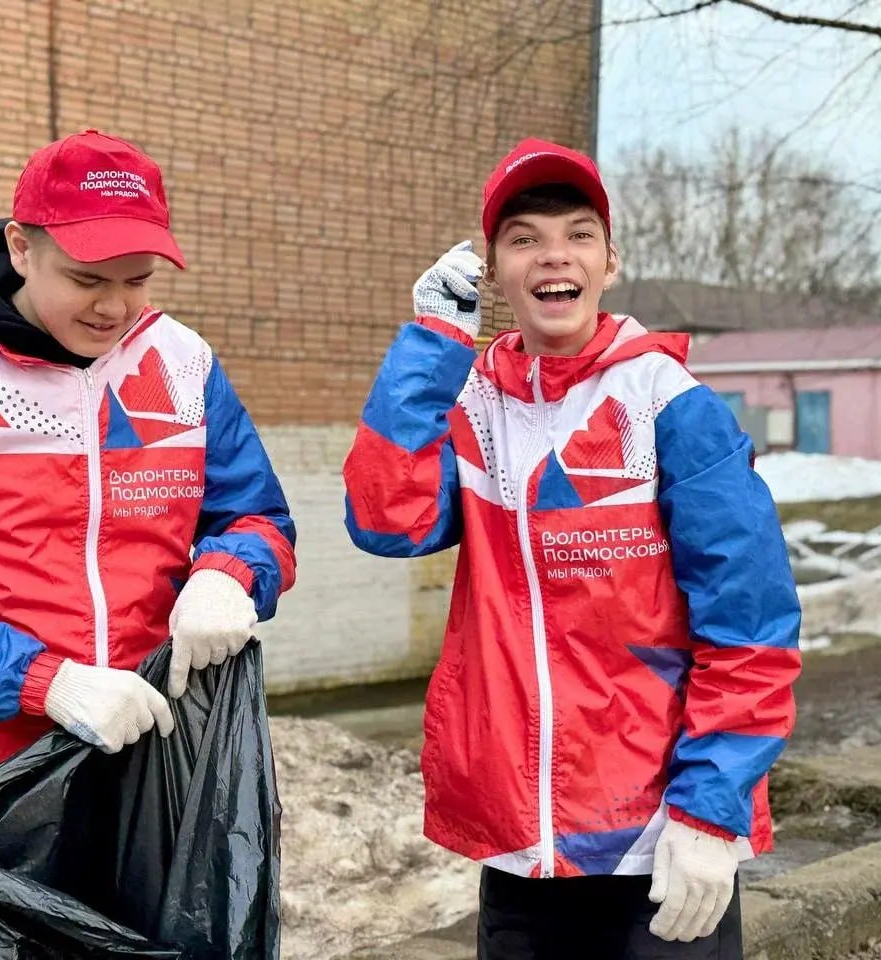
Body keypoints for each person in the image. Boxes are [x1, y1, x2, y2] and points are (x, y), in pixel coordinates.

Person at [0, 129, 296, 952]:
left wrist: (229, 573)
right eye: (86, 278)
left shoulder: (181, 362)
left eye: (137, 280)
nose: (114, 307)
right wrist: (45, 680)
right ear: (20, 248)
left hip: (147, 772)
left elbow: (256, 519)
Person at [342, 138, 800, 958]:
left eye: (579, 234)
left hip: (659, 842)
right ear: (493, 272)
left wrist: (710, 811)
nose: (554, 254)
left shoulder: (670, 404)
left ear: (609, 262)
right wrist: (430, 347)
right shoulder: (471, 403)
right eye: (524, 238)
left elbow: (751, 625)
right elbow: (387, 521)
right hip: (522, 847)